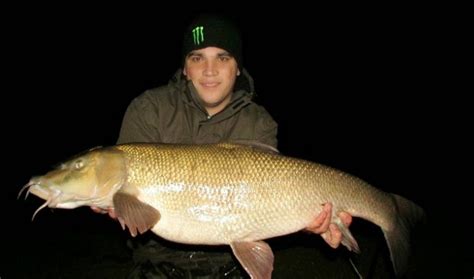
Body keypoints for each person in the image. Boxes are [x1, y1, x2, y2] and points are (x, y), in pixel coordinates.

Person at [92, 13, 386, 278]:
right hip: (154, 261)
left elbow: (270, 201)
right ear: (184, 68)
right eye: (197, 58)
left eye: (222, 57)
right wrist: (116, 202)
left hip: (227, 264)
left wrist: (310, 220)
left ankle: (391, 214)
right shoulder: (149, 109)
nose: (209, 70)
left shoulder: (259, 122)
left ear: (237, 68)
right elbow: (126, 200)